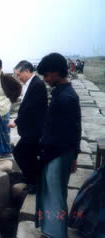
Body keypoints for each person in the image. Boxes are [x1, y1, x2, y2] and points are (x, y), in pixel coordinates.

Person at [35, 53, 81, 238]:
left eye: (46, 75)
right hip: (52, 152)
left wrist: (74, 156)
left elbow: (75, 129)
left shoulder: (66, 97)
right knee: (51, 192)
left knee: (56, 195)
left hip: (59, 153)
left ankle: (57, 233)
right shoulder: (60, 93)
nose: (45, 80)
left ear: (56, 73)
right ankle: (50, 229)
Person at [8, 60, 48, 194]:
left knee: (20, 153)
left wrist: (16, 121)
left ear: (27, 71)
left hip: (34, 130)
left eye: (19, 74)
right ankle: (32, 179)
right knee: (29, 155)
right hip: (31, 129)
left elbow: (31, 108)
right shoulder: (32, 84)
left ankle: (34, 181)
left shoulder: (37, 84)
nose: (18, 78)